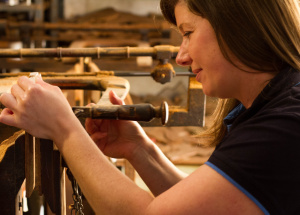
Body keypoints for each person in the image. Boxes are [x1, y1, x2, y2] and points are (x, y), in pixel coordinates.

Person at [0, 0, 300, 214]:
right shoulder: (272, 108)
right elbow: (209, 205)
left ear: (237, 26)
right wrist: (140, 149)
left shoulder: (283, 127)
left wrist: (64, 129)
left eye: (188, 33)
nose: (181, 57)